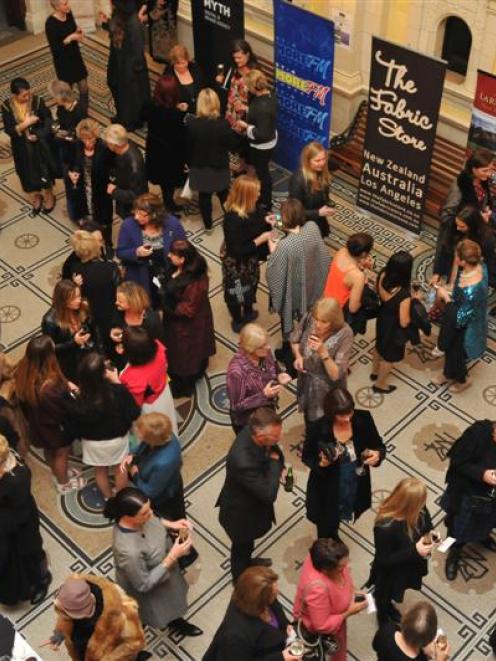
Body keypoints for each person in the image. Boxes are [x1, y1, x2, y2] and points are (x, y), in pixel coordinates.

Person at [104, 487, 203, 636]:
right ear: (127, 517)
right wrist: (173, 556)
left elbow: (154, 520)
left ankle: (176, 621)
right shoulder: (128, 552)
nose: (151, 514)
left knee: (173, 602)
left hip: (167, 574)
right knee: (145, 617)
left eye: (150, 508)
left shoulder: (143, 517)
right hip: (151, 589)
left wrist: (170, 524)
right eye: (145, 513)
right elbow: (143, 584)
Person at [303, 387, 386, 541]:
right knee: (326, 519)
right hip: (327, 484)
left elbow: (378, 444)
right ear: (331, 413)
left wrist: (378, 454)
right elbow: (307, 456)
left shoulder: (364, 418)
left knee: (348, 506)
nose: (348, 418)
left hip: (354, 479)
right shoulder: (318, 428)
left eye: (350, 412)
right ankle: (328, 541)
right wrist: (321, 463)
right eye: (342, 415)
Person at [120, 412, 198, 568]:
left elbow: (150, 491)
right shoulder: (164, 435)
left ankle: (186, 554)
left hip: (166, 497)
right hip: (161, 484)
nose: (138, 433)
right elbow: (144, 444)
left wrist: (135, 476)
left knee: (175, 522)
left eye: (141, 433)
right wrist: (133, 455)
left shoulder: (165, 461)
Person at [216, 407, 285, 580]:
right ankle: (239, 577)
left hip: (250, 505)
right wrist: (275, 465)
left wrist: (277, 462)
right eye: (276, 437)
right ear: (260, 436)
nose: (279, 438)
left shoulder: (254, 431)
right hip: (240, 514)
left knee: (246, 545)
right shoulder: (242, 460)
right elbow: (269, 494)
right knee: (240, 547)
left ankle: (248, 560)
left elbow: (273, 450)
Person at [64, 353, 140, 499]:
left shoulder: (79, 400)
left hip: (93, 444)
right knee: (121, 469)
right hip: (117, 440)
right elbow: (134, 412)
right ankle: (121, 498)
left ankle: (108, 498)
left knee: (100, 471)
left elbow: (73, 427)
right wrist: (117, 382)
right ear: (103, 373)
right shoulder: (117, 391)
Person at [266, 198, 331, 371]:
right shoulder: (312, 227)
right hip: (311, 281)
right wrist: (276, 220)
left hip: (292, 289)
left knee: (289, 323)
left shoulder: (285, 246)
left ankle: (289, 355)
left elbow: (275, 274)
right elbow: (293, 227)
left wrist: (273, 251)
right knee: (306, 321)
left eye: (281, 215)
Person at [15, 336, 85, 494]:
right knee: (61, 453)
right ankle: (63, 483)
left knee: (49, 450)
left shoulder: (23, 369)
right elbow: (65, 409)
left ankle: (57, 471)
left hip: (37, 424)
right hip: (55, 428)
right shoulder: (50, 387)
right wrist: (75, 395)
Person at [368, 478, 435, 624]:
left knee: (393, 593)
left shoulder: (419, 508)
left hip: (407, 566)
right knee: (383, 595)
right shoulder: (385, 527)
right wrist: (415, 550)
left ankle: (388, 607)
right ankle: (383, 617)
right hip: (390, 572)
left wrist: (431, 533)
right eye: (420, 502)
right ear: (409, 504)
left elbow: (427, 521)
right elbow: (383, 560)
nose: (423, 505)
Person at [203, 567, 301, 661]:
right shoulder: (236, 637)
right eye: (274, 595)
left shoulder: (256, 595)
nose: (278, 593)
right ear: (260, 601)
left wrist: (285, 625)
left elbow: (275, 608)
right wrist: (281, 658)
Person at [293, 539, 367, 661]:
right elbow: (321, 625)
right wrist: (348, 612)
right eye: (341, 567)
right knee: (334, 652)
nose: (346, 567)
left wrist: (352, 590)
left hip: (336, 619)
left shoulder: (319, 556)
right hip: (329, 629)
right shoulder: (318, 589)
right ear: (326, 569)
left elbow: (343, 576)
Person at [0, 434, 52, 606]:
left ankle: (42, 582)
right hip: (9, 524)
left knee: (32, 556)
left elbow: (20, 515)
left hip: (22, 526)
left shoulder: (16, 480)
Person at [441, 419, 496, 582]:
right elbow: (457, 463)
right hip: (467, 495)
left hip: (491, 501)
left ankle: (482, 536)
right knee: (458, 526)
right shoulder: (478, 433)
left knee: (487, 522)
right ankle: (454, 552)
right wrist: (482, 474)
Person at [160, 239, 216, 397]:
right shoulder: (180, 268)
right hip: (177, 322)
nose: (169, 255)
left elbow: (188, 309)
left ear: (183, 259)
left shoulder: (196, 281)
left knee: (185, 354)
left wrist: (167, 303)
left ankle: (185, 385)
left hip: (188, 326)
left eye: (172, 254)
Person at [433, 239, 488, 393]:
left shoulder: (473, 289)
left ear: (463, 260)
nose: (454, 258)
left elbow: (460, 318)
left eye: (456, 255)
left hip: (466, 327)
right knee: (452, 350)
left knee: (455, 353)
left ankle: (463, 380)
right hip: (464, 313)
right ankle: (447, 373)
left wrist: (446, 298)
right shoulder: (479, 266)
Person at [46, 573, 145, 659]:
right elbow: (64, 617)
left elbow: (136, 643)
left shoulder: (122, 612)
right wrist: (60, 634)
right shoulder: (73, 587)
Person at [290, 298, 353, 425]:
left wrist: (323, 353)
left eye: (324, 321)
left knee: (328, 417)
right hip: (306, 379)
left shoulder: (345, 333)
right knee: (310, 418)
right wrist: (299, 357)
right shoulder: (310, 318)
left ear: (333, 321)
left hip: (327, 387)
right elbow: (294, 340)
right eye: (316, 319)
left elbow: (335, 375)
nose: (317, 324)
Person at [222, 175, 272, 331]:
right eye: (256, 192)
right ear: (247, 195)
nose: (259, 194)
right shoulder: (232, 219)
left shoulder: (254, 207)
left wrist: (266, 220)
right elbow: (235, 250)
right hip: (236, 264)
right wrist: (261, 239)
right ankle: (237, 320)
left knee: (251, 285)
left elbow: (256, 220)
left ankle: (249, 311)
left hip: (250, 260)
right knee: (236, 293)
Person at [1, 77, 57, 215]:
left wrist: (39, 134)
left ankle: (49, 196)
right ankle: (37, 196)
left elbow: (49, 123)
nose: (27, 98)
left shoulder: (38, 101)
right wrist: (26, 124)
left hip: (40, 145)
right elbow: (9, 129)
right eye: (23, 96)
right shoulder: (7, 106)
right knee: (26, 172)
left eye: (28, 94)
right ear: (15, 95)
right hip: (21, 146)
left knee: (44, 171)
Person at [186, 88, 238, 230]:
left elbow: (188, 147)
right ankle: (232, 221)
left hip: (199, 166)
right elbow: (232, 144)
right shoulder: (223, 124)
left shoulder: (192, 124)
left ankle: (208, 225)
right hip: (219, 165)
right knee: (224, 195)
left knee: (204, 197)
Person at [116, 192, 185, 298]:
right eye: (135, 212)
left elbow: (184, 247)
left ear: (155, 214)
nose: (136, 217)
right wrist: (136, 252)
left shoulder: (172, 223)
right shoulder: (128, 225)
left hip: (167, 271)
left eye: (141, 214)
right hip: (141, 275)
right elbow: (120, 252)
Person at [226, 323, 292, 434]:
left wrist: (279, 374)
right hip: (249, 421)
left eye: (267, 343)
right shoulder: (237, 373)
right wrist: (264, 395)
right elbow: (236, 405)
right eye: (262, 346)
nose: (268, 347)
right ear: (250, 349)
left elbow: (272, 366)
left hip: (267, 409)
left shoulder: (264, 351)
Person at [371, 251, 418, 394]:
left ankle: (374, 371)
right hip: (394, 327)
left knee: (379, 345)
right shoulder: (403, 295)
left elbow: (377, 291)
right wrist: (414, 301)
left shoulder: (383, 274)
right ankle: (380, 385)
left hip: (382, 317)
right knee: (389, 357)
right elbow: (404, 322)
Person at [65, 230, 121, 350]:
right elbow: (120, 291)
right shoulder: (110, 268)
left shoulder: (75, 270)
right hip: (111, 311)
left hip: (89, 314)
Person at [119, 327, 178, 435]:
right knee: (169, 422)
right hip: (164, 392)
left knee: (154, 433)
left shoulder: (132, 378)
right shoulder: (158, 348)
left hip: (150, 407)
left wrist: (116, 382)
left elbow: (135, 405)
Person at [103, 0, 150, 130]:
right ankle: (125, 117)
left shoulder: (133, 23)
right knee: (115, 85)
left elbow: (138, 50)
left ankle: (131, 121)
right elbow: (115, 33)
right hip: (119, 62)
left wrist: (132, 70)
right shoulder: (118, 16)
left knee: (131, 96)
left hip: (130, 67)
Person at [41, 279, 98, 382]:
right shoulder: (49, 321)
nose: (78, 300)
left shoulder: (83, 307)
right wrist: (74, 343)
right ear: (62, 300)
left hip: (88, 354)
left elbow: (95, 330)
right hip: (70, 363)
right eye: (73, 298)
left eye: (79, 296)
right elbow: (50, 349)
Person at [215, 38, 259, 173]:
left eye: (240, 58)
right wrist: (220, 82)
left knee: (247, 145)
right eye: (235, 58)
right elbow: (228, 87)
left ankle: (249, 169)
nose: (237, 61)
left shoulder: (255, 73)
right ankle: (241, 163)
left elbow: (259, 97)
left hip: (247, 114)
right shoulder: (233, 67)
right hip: (232, 111)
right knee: (236, 142)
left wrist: (246, 108)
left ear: (248, 55)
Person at [66, 119, 114, 239]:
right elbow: (70, 162)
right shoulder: (76, 144)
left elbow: (113, 168)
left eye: (90, 138)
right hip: (83, 187)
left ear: (96, 135)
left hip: (101, 188)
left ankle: (108, 243)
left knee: (104, 218)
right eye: (84, 139)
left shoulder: (104, 147)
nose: (87, 142)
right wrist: (71, 172)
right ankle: (89, 239)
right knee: (85, 214)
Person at [145, 75, 186, 214]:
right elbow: (181, 135)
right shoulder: (174, 115)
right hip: (170, 152)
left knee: (163, 180)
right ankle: (169, 205)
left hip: (155, 148)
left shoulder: (151, 104)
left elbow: (142, 115)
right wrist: (182, 112)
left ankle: (168, 202)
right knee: (169, 181)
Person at [236, 70, 277, 210]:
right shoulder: (270, 95)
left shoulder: (261, 106)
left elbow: (262, 133)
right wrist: (248, 109)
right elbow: (261, 117)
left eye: (247, 86)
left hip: (263, 146)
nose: (246, 88)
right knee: (262, 169)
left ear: (254, 87)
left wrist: (246, 126)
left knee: (263, 173)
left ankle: (265, 202)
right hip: (271, 140)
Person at [431, 205, 496, 288]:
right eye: (457, 224)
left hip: (470, 272)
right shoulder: (454, 226)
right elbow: (444, 248)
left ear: (472, 225)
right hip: (453, 264)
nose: (458, 228)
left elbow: (488, 262)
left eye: (462, 226)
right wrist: (437, 273)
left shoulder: (486, 238)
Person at [324, 232, 375, 333]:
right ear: (364, 254)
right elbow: (353, 308)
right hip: (340, 310)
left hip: (327, 299)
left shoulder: (342, 251)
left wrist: (361, 265)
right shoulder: (357, 276)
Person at [45, 0, 89, 115]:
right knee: (66, 91)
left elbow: (73, 28)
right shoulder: (50, 23)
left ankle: (83, 112)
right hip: (63, 61)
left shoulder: (69, 14)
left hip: (75, 56)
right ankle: (67, 114)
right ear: (56, 7)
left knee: (83, 86)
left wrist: (78, 32)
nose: (68, 5)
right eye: (65, 4)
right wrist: (69, 38)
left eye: (67, 2)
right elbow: (55, 48)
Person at [110, 281, 163, 368]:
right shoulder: (119, 313)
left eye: (120, 301)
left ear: (132, 302)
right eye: (117, 299)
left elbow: (158, 347)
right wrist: (114, 336)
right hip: (124, 365)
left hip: (146, 365)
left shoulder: (151, 320)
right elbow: (115, 330)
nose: (116, 303)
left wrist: (128, 349)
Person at [373, 600, 451, 661]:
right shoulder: (421, 658)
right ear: (429, 640)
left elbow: (375, 645)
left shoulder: (387, 629)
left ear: (403, 619)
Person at [288, 141, 336, 237]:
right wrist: (318, 213)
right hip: (302, 224)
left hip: (318, 220)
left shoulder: (321, 172)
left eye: (324, 159)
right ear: (307, 161)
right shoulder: (298, 180)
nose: (322, 163)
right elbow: (295, 212)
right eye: (317, 160)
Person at [102, 124, 148, 219]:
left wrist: (114, 191)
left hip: (133, 208)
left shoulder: (134, 166)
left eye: (107, 143)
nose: (106, 144)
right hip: (123, 190)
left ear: (114, 145)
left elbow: (136, 195)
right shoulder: (125, 146)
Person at [440, 148, 494, 226]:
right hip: (458, 234)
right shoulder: (460, 184)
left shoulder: (483, 180)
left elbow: (482, 204)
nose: (489, 174)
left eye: (490, 170)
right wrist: (472, 221)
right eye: (485, 170)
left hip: (476, 230)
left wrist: (487, 210)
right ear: (473, 169)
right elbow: (446, 217)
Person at [165, 43, 205, 116]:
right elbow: (164, 97)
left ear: (187, 60)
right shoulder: (168, 73)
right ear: (173, 63)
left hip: (199, 112)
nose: (181, 66)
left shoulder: (194, 68)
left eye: (183, 63)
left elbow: (203, 87)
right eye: (177, 64)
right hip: (179, 115)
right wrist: (176, 105)